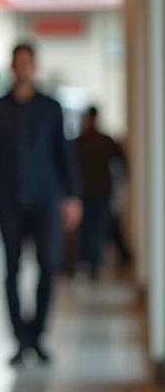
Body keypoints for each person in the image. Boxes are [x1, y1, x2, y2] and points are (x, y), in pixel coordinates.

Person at [0, 43, 81, 366]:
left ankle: (38, 334)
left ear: (35, 66)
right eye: (17, 62)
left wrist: (72, 196)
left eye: (27, 62)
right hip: (8, 199)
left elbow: (63, 153)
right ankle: (20, 339)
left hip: (45, 198)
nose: (22, 68)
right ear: (11, 67)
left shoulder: (50, 107)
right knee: (11, 268)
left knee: (48, 264)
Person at [72, 106, 127, 280]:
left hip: (86, 192)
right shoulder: (104, 141)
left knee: (89, 229)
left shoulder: (79, 142)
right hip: (99, 191)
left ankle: (87, 262)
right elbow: (122, 163)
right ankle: (91, 264)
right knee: (95, 229)